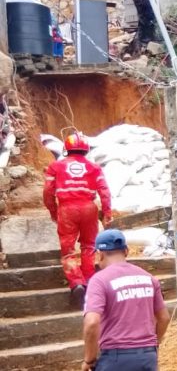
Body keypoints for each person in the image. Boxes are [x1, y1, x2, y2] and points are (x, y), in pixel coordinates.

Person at [82, 229, 171, 371]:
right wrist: (152, 346)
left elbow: (92, 322)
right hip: (147, 357)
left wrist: (89, 360)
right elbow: (164, 318)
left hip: (116, 359)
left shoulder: (99, 280)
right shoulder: (149, 278)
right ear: (126, 251)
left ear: (99, 255)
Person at [44, 132, 112, 308]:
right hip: (89, 208)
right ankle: (89, 281)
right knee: (89, 246)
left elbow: (47, 193)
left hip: (67, 209)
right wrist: (107, 212)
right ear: (86, 149)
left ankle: (76, 283)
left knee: (68, 251)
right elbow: (104, 191)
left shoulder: (55, 167)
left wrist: (53, 210)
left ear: (66, 149)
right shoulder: (94, 168)